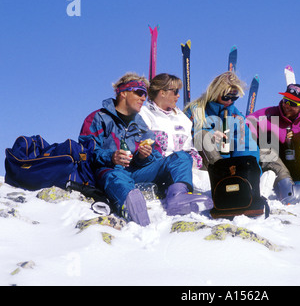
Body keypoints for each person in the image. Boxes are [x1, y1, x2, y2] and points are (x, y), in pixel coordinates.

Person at [78, 72, 212, 226]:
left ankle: (177, 197)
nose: (144, 98)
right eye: (139, 93)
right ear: (123, 93)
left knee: (181, 157)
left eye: (145, 94)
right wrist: (111, 156)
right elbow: (85, 152)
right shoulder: (98, 118)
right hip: (110, 171)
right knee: (116, 176)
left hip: (137, 172)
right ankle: (131, 204)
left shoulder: (140, 122)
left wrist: (144, 157)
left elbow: (155, 154)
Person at [247, 84, 300, 204]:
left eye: (293, 103)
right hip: (272, 161)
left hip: (296, 164)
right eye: (285, 100)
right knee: (267, 139)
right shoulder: (268, 114)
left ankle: (299, 183)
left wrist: (298, 136)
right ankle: (287, 189)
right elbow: (246, 125)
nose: (286, 105)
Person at [184, 71, 259, 167]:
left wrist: (247, 168)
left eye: (234, 98)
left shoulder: (235, 115)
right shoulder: (197, 110)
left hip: (229, 164)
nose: (229, 101)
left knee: (261, 151)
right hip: (202, 163)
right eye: (226, 97)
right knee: (203, 136)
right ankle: (221, 172)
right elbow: (184, 136)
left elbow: (246, 144)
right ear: (215, 93)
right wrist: (210, 134)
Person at [139, 73, 203, 169]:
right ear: (162, 93)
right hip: (155, 167)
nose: (178, 95)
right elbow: (143, 148)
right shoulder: (144, 114)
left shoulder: (182, 119)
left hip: (181, 168)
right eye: (175, 91)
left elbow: (189, 148)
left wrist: (193, 161)